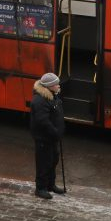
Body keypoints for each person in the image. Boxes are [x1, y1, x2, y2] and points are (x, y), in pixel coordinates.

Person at [30, 72, 66, 200]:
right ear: (49, 86)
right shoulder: (40, 100)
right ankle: (40, 188)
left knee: (53, 160)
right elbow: (43, 121)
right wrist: (55, 132)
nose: (58, 86)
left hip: (52, 137)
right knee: (44, 163)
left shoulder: (53, 96)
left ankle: (50, 185)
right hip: (44, 138)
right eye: (56, 84)